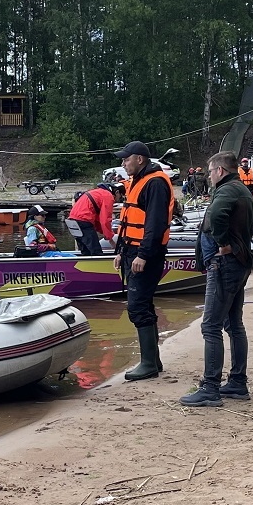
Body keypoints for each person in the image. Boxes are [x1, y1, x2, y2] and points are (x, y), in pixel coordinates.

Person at [180, 152, 253, 407]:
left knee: (210, 326)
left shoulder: (226, 192)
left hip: (224, 265)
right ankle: (237, 382)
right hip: (239, 262)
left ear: (220, 171)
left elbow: (216, 218)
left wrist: (222, 244)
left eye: (210, 172)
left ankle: (210, 387)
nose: (208, 176)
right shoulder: (241, 189)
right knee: (234, 325)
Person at [114, 141, 174, 380]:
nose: (123, 163)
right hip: (131, 251)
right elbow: (129, 220)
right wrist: (121, 251)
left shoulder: (155, 183)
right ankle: (153, 361)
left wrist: (143, 255)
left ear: (139, 159)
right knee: (143, 305)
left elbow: (155, 225)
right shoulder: (138, 181)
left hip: (145, 255)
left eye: (126, 159)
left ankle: (148, 363)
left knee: (138, 307)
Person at [67, 183, 115, 256]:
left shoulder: (95, 192)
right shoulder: (108, 195)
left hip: (72, 221)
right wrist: (109, 237)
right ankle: (99, 265)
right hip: (83, 220)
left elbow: (97, 221)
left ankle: (85, 264)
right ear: (117, 193)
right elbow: (105, 220)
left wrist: (105, 234)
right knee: (96, 251)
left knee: (85, 250)